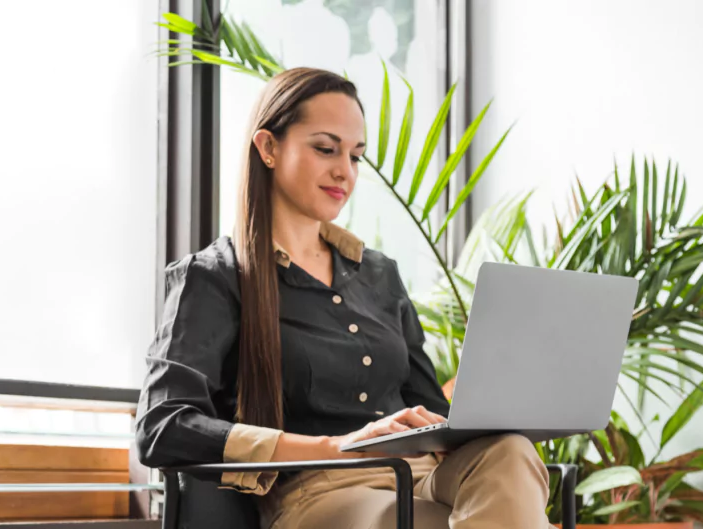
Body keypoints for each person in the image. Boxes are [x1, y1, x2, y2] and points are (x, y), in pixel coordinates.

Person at [135, 68, 550, 529]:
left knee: (511, 452)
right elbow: (162, 426)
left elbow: (427, 405)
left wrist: (503, 406)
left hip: (422, 475)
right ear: (268, 148)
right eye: (325, 149)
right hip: (320, 488)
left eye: (356, 156)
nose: (344, 171)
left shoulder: (380, 274)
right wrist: (339, 445)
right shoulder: (215, 278)